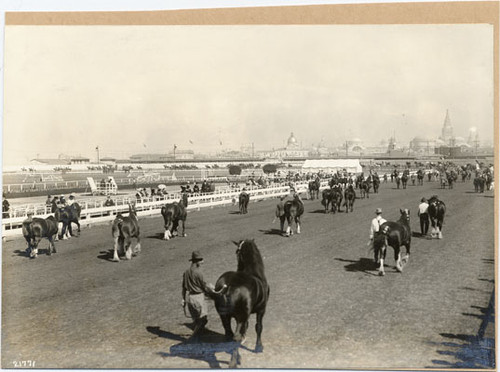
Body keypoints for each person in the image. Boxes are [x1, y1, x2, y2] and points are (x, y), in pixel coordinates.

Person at [181, 251, 215, 341]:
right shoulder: (199, 273)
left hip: (190, 298)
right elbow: (204, 286)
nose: (202, 262)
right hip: (198, 297)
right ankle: (193, 337)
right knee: (203, 319)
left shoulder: (186, 272)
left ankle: (200, 334)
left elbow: (183, 287)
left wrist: (183, 299)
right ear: (197, 261)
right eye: (201, 261)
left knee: (196, 320)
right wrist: (212, 290)